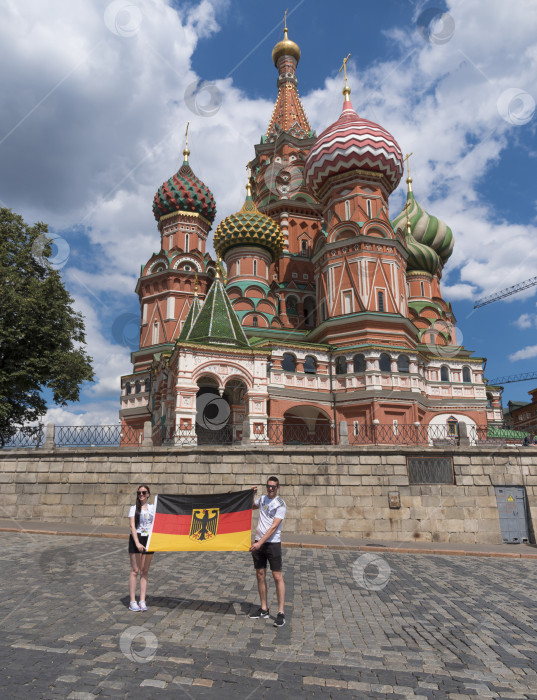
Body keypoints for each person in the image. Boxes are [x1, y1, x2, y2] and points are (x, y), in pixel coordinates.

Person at [249, 476, 286, 627]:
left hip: (272, 544)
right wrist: (251, 494)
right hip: (259, 543)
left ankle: (281, 612)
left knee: (277, 576)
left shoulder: (280, 504)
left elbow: (273, 527)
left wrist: (260, 543)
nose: (270, 489)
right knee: (260, 574)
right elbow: (252, 506)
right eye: (268, 486)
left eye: (273, 487)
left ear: (277, 488)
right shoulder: (263, 499)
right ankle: (264, 608)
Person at [128, 484, 155, 611]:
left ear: (148, 494)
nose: (141, 495)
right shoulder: (133, 508)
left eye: (144, 492)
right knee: (135, 570)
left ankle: (142, 600)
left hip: (149, 539)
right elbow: (132, 526)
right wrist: (137, 542)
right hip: (136, 538)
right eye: (139, 493)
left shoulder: (153, 508)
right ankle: (132, 601)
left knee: (144, 571)